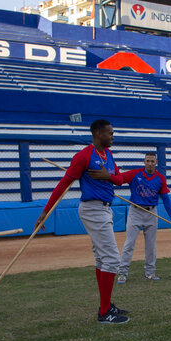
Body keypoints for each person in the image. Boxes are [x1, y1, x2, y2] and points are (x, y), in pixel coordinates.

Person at [37, 119, 129, 324]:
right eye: (109, 133)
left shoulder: (109, 155)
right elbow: (64, 184)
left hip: (105, 209)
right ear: (97, 134)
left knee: (102, 259)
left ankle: (105, 306)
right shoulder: (83, 156)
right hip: (93, 209)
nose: (113, 136)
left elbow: (120, 180)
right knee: (113, 259)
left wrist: (108, 176)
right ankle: (105, 312)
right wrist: (46, 212)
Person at [116, 152, 171, 283]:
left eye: (152, 161)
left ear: (156, 162)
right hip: (135, 211)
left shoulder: (160, 178)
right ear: (144, 161)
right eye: (147, 161)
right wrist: (106, 182)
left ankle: (150, 272)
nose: (150, 164)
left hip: (151, 213)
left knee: (151, 245)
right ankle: (122, 273)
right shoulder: (135, 174)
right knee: (129, 243)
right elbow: (118, 179)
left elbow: (165, 198)